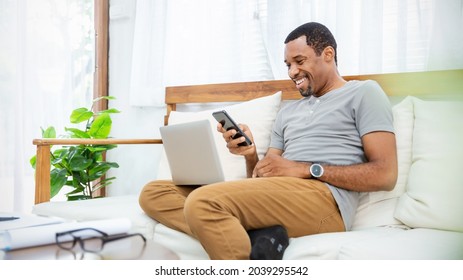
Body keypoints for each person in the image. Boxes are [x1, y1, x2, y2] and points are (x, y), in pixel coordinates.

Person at [139, 22, 397, 260]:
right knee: (154, 193)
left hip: (325, 201)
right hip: (282, 193)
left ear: (328, 54)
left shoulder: (364, 93)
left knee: (203, 202)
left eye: (299, 61)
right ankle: (255, 237)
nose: (293, 71)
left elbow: (385, 175)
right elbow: (262, 179)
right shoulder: (289, 112)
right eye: (287, 64)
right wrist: (251, 155)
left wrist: (305, 169)